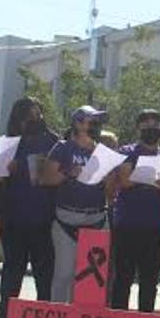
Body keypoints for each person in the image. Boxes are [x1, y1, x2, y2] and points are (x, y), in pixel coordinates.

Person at [0, 97, 58, 318]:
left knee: (44, 271)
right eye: (28, 115)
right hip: (14, 215)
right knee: (13, 269)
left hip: (45, 216)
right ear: (18, 119)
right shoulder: (7, 143)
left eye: (37, 113)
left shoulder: (53, 141)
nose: (34, 119)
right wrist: (5, 169)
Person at [43, 105, 111, 304]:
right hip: (67, 218)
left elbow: (111, 191)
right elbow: (46, 178)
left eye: (98, 122)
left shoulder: (103, 152)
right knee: (64, 273)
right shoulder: (63, 148)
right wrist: (67, 172)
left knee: (92, 277)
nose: (96, 126)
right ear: (78, 123)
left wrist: (109, 179)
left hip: (97, 217)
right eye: (92, 121)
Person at [110, 109, 160, 313]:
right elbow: (125, 181)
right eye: (146, 125)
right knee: (123, 278)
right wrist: (142, 176)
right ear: (138, 128)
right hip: (127, 224)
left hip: (156, 226)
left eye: (156, 125)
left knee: (149, 280)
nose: (151, 128)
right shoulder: (126, 152)